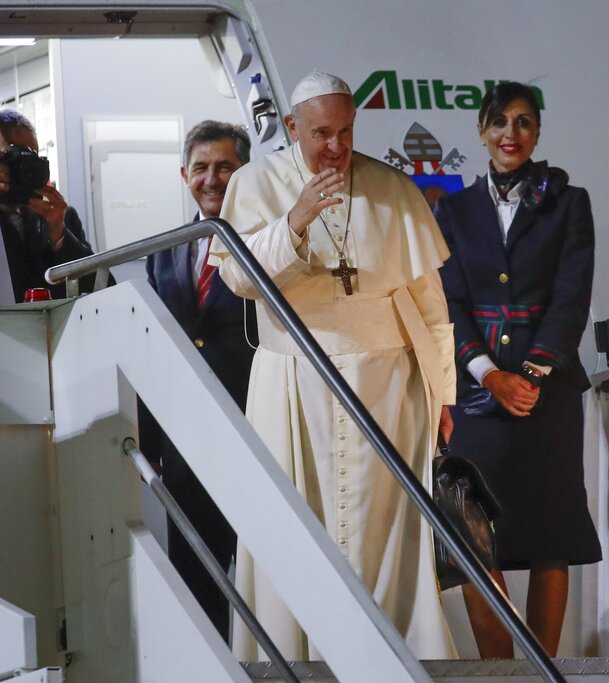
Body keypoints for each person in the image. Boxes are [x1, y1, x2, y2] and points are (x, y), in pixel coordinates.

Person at [211, 71, 457, 660]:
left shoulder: (392, 187)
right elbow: (239, 279)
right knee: (296, 527)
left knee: (387, 532)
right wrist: (294, 222)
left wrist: (443, 392)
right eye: (322, 133)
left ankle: (394, 656)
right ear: (292, 127)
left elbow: (429, 301)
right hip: (294, 380)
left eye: (346, 131)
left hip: (390, 384)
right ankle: (298, 657)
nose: (337, 147)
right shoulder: (254, 182)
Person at [433, 81, 602, 658]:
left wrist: (530, 372)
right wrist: (488, 374)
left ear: (537, 133)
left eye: (525, 122)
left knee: (552, 534)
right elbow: (448, 303)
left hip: (547, 394)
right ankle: (501, 672)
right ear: (482, 130)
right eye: (501, 122)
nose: (512, 134)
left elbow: (572, 297)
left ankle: (543, 669)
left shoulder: (568, 202)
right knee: (475, 538)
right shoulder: (451, 210)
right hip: (478, 396)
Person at [139, 120, 256, 641]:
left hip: (258, 436)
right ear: (185, 174)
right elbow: (154, 350)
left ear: (245, 172)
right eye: (202, 168)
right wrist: (149, 439)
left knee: (262, 585)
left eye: (225, 167)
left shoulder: (270, 242)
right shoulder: (162, 252)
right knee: (197, 583)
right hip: (186, 446)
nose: (213, 179)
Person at [0, 108, 97, 302]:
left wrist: (59, 236)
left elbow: (99, 288)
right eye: (15, 156)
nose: (25, 167)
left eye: (31, 157)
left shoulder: (63, 218)